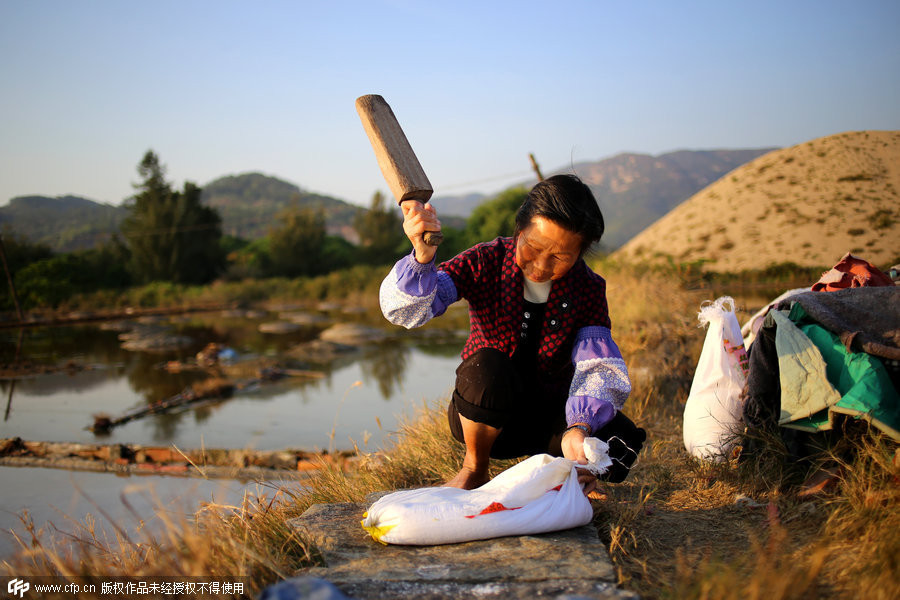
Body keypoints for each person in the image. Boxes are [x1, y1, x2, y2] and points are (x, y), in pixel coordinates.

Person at [379, 174, 645, 495]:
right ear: (519, 229)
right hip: (486, 415)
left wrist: (579, 428)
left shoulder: (588, 288)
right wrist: (422, 258)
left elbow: (598, 368)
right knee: (488, 365)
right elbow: (409, 311)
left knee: (622, 442)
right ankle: (474, 469)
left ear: (580, 254)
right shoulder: (485, 260)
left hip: (549, 418)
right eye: (533, 246)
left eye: (560, 257)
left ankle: (567, 474)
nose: (542, 265)